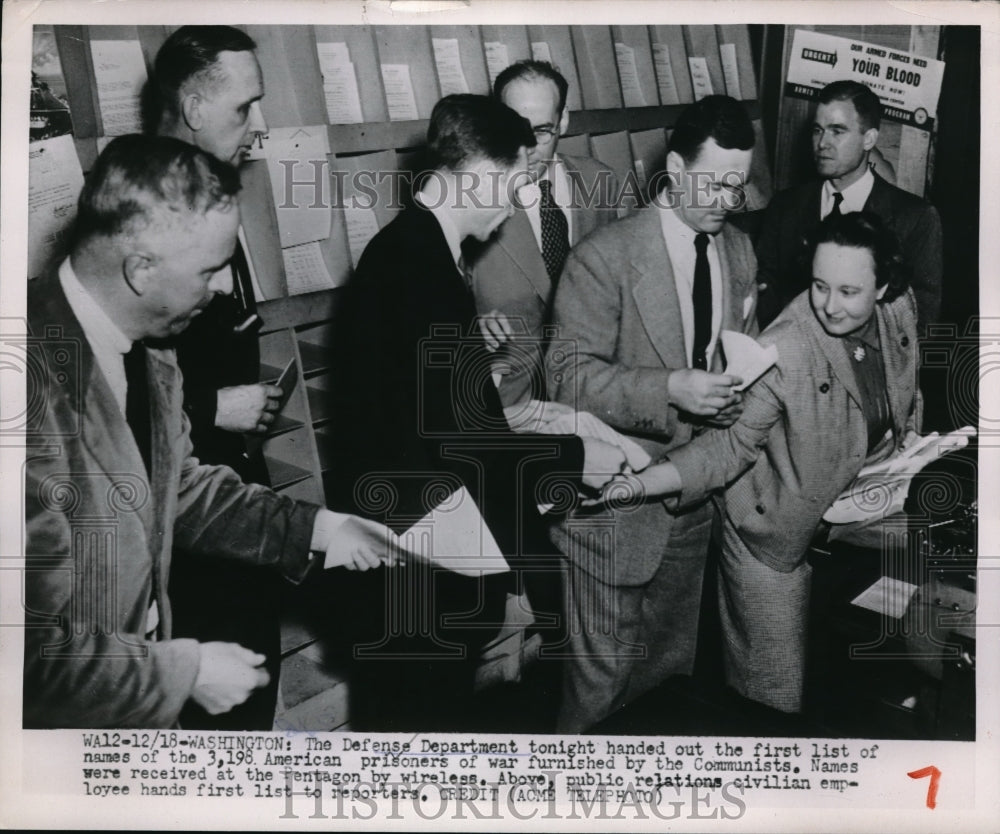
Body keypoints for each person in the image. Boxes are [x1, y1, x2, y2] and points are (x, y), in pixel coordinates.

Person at [23, 135, 392, 729]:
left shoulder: (152, 350)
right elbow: (23, 652)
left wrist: (319, 528)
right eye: (210, 270)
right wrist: (183, 672)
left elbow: (179, 489)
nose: (223, 288)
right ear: (140, 270)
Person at [325, 94, 626, 731]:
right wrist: (577, 458)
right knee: (417, 734)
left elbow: (422, 407)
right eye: (514, 186)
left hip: (414, 550)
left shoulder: (414, 250)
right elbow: (462, 443)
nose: (516, 204)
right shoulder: (419, 269)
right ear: (483, 174)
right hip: (416, 574)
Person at [615, 212, 926, 713]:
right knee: (773, 696)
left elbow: (905, 380)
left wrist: (907, 434)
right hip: (771, 520)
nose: (829, 306)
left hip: (862, 491)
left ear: (884, 287)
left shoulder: (900, 307)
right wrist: (637, 485)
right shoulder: (781, 350)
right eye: (820, 286)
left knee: (953, 561)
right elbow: (726, 447)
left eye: (849, 291)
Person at [546, 94, 760, 732]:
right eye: (714, 182)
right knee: (597, 704)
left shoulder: (739, 252)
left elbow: (741, 355)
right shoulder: (604, 257)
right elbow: (566, 379)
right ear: (673, 168)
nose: (727, 199)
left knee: (664, 691)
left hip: (692, 506)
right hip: (610, 513)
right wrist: (670, 388)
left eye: (739, 186)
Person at [151, 25, 282, 729]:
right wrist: (211, 407)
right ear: (195, 108)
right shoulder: (142, 205)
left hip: (230, 501)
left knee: (255, 692)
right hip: (181, 528)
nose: (258, 126)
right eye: (244, 107)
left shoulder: (213, 192)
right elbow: (100, 391)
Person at [467, 60, 618, 406]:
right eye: (514, 128)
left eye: (542, 131)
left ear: (563, 121)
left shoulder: (601, 182)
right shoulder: (471, 199)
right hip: (507, 406)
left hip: (590, 397)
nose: (527, 148)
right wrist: (471, 329)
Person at [755, 80, 942, 330]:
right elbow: (765, 297)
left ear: (869, 139)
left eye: (837, 131)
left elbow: (920, 321)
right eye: (817, 130)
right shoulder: (784, 207)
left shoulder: (916, 218)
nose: (822, 143)